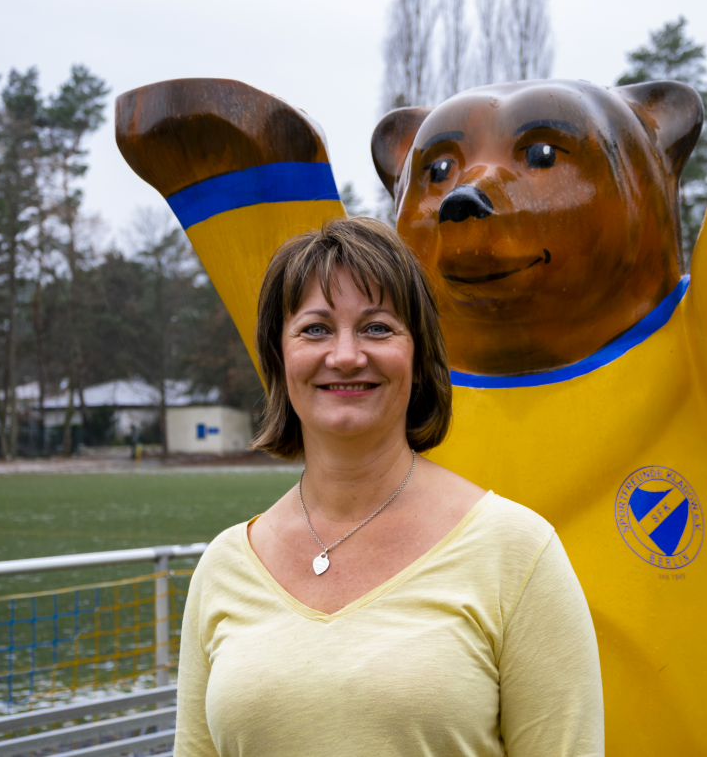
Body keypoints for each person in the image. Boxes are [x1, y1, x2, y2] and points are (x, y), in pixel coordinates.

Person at [174, 217, 604, 757]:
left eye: (377, 328)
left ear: (419, 358)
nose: (346, 356)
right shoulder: (224, 567)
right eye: (315, 329)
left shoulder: (517, 552)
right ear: (279, 360)